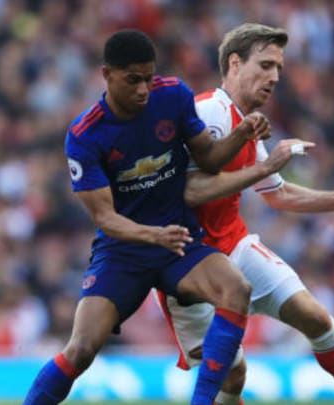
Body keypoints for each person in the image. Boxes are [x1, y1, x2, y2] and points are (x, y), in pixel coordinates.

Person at [21, 29, 304, 405]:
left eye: (148, 78)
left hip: (180, 242)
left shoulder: (172, 96)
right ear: (107, 75)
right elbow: (105, 218)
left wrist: (241, 135)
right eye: (132, 80)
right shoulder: (85, 135)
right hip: (124, 251)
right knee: (82, 349)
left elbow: (209, 160)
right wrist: (153, 236)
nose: (143, 89)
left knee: (236, 289)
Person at [157, 23, 334, 405]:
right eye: (266, 65)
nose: (274, 77)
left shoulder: (247, 125)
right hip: (188, 263)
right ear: (234, 64)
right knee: (232, 375)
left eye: (279, 70)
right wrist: (265, 167)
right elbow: (184, 193)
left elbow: (279, 194)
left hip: (234, 246)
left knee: (316, 318)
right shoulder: (210, 112)